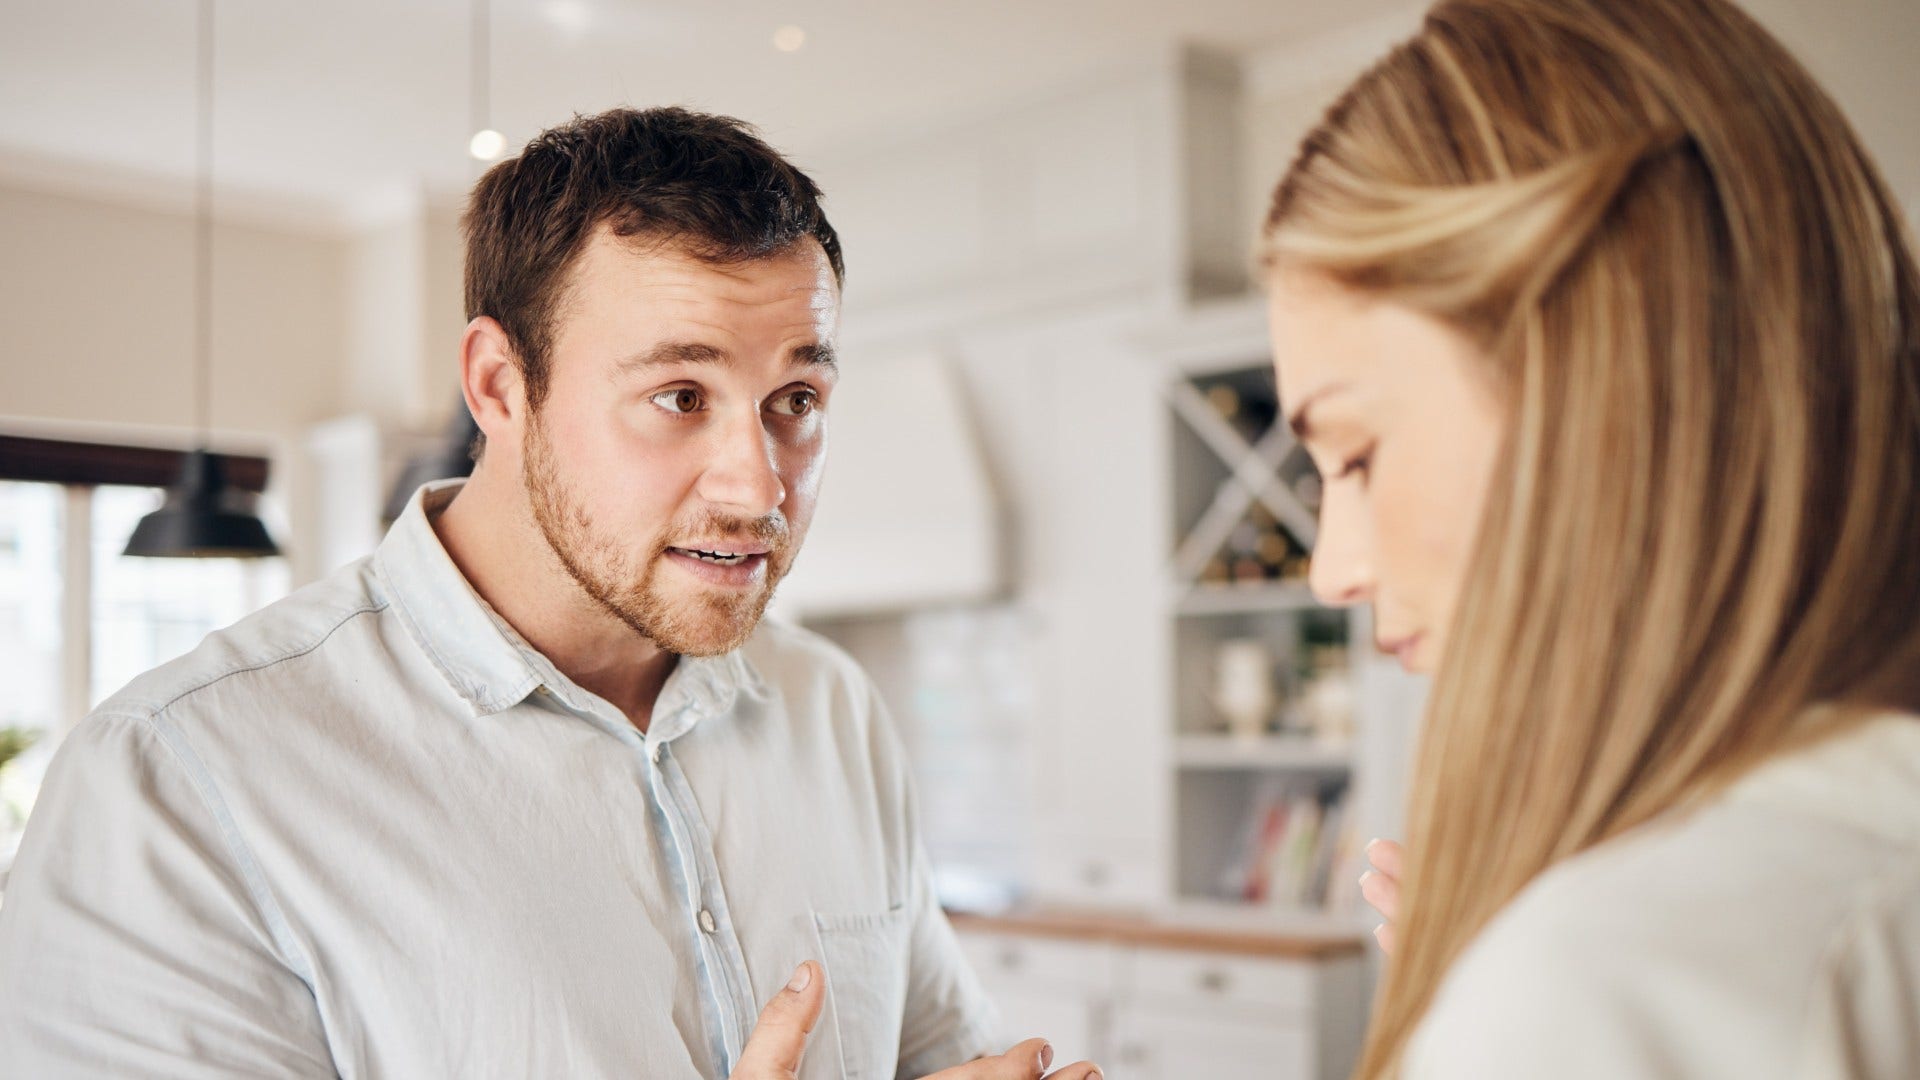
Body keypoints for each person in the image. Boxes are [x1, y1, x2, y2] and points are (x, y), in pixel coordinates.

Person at [0, 106, 1095, 1080]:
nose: (759, 483)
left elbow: (935, 1051)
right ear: (498, 385)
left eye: (796, 397)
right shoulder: (176, 784)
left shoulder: (831, 710)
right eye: (678, 394)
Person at [1258, 0, 1920, 1076]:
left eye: (1358, 454)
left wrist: (1522, 990)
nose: (1337, 569)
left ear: (1594, 385)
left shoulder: (1612, 986)